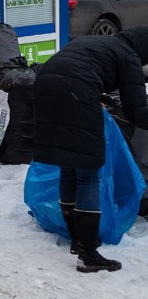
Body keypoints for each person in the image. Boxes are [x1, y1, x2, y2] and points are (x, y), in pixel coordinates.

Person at [33, 27, 148, 273]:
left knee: (68, 163)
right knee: (88, 170)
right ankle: (87, 253)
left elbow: (84, 69)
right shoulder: (130, 56)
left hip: (44, 85)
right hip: (74, 90)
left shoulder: (102, 43)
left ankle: (78, 239)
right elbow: (137, 111)